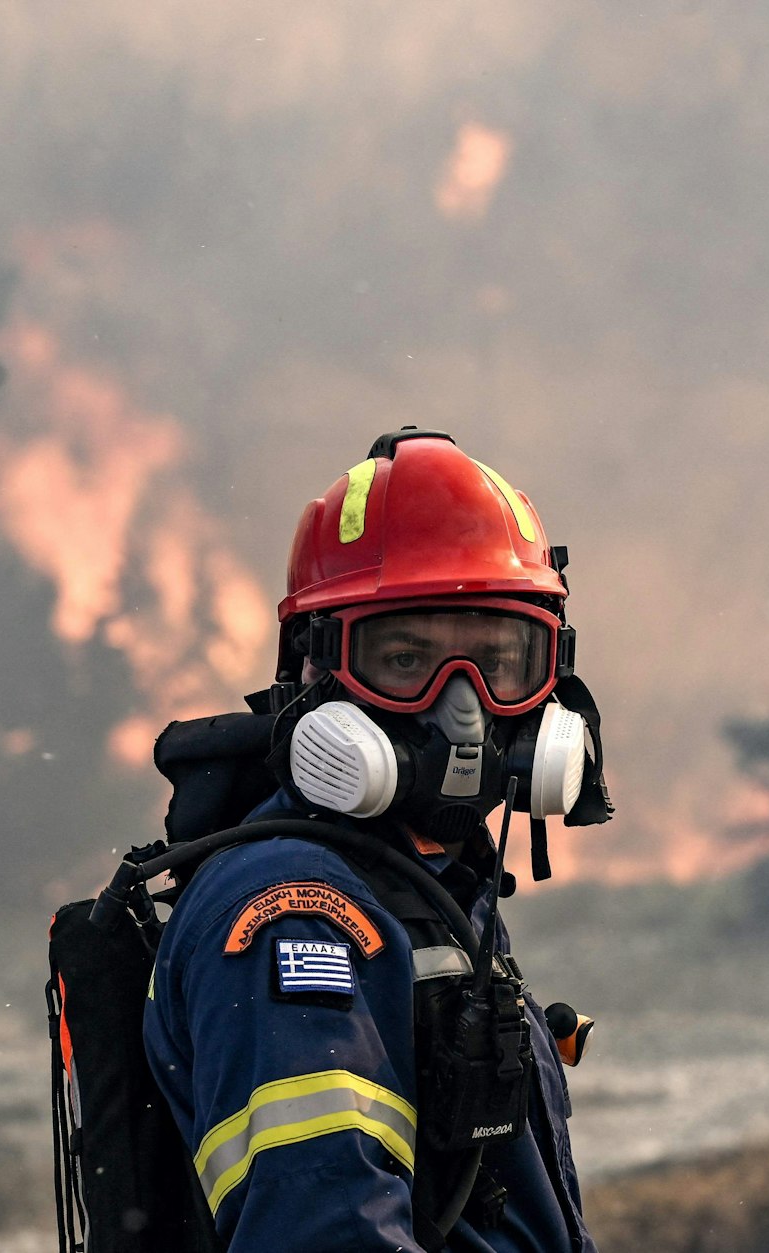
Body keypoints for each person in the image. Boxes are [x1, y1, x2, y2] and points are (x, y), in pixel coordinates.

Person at [143, 428, 610, 1252]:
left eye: (500, 659)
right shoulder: (296, 912)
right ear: (317, 671)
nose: (461, 709)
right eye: (405, 657)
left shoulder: (426, 886)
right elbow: (324, 1231)